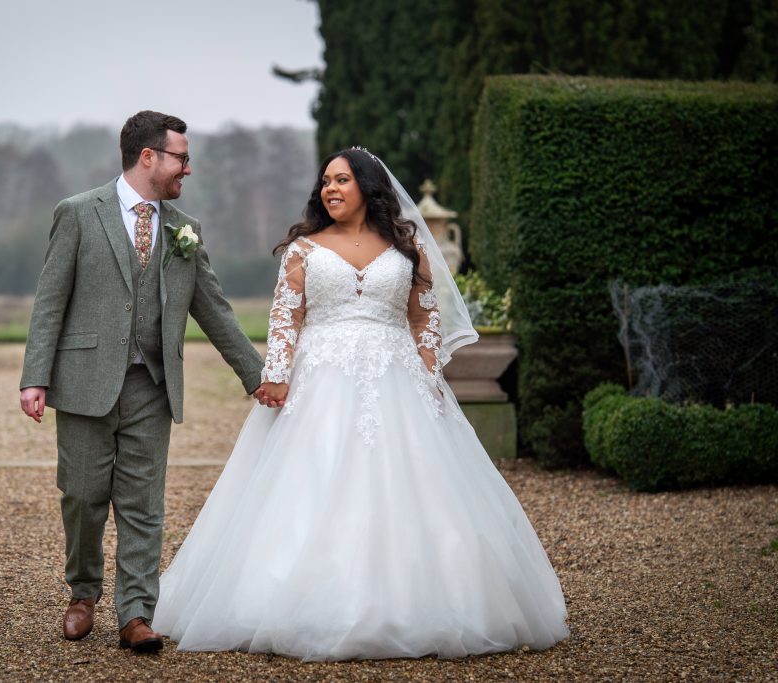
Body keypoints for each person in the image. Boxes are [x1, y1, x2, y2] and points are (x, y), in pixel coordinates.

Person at [152, 148, 570, 660]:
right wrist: (277, 376)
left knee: (417, 488)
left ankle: (421, 604)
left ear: (368, 188)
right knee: (308, 485)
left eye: (342, 180)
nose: (330, 189)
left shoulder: (407, 248)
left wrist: (428, 371)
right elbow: (288, 318)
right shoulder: (304, 249)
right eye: (325, 181)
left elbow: (424, 318)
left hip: (400, 381)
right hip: (319, 381)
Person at [19, 110, 264, 653]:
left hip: (152, 386)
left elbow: (215, 310)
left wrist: (257, 376)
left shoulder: (185, 230)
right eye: (182, 157)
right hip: (84, 382)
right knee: (82, 496)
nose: (188, 169)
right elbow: (50, 300)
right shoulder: (80, 213)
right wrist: (35, 376)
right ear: (148, 156)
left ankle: (135, 614)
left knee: (143, 504)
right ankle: (83, 593)